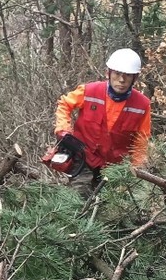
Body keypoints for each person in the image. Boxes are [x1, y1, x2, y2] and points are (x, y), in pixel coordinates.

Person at [53, 48, 153, 198]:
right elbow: (64, 104)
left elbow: (141, 140)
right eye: (118, 74)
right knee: (80, 195)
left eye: (127, 76)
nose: (121, 80)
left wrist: (136, 168)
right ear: (109, 73)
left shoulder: (142, 105)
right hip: (84, 156)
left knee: (107, 205)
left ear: (135, 78)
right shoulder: (89, 91)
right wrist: (63, 128)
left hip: (114, 166)